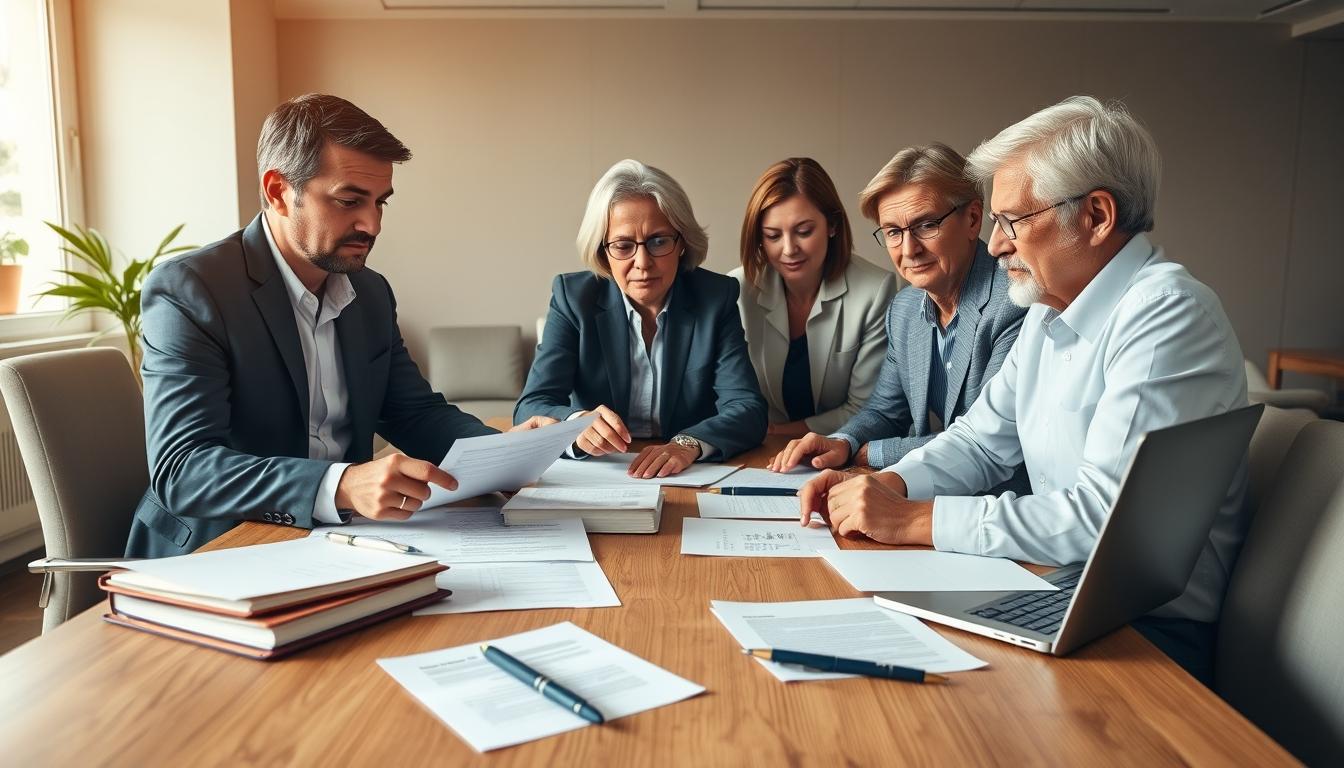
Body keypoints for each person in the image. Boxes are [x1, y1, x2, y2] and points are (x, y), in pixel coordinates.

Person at [799, 96, 1248, 683]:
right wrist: (889, 483)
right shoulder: (1046, 311)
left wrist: (912, 519)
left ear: (1096, 215)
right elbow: (981, 442)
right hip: (1052, 588)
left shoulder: (1166, 312)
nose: (996, 245)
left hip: (1149, 637)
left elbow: (1105, 522)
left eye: (1014, 220)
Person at [128, 94, 551, 558]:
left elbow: (412, 412)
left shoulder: (369, 293)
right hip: (221, 547)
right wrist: (342, 483)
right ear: (277, 191)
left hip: (342, 542)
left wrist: (502, 453)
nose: (371, 224)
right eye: (349, 200)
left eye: (380, 202)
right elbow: (183, 470)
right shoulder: (192, 290)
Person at [770, 144, 1027, 486]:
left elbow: (983, 443)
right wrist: (842, 442)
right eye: (893, 231)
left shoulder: (1014, 302)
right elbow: (884, 412)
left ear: (973, 219)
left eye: (926, 225)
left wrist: (871, 452)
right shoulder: (905, 309)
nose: (909, 250)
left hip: (998, 508)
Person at [514, 159, 767, 478]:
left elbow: (747, 409)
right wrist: (575, 424)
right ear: (602, 250)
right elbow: (532, 405)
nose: (643, 262)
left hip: (684, 471)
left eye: (659, 241)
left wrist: (687, 444)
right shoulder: (573, 298)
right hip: (598, 472)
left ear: (682, 243)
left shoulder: (715, 297)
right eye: (623, 245)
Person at [729, 158, 896, 438]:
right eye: (772, 236)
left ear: (832, 225)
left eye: (804, 232)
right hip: (756, 448)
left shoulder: (875, 289)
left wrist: (781, 433)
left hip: (841, 446)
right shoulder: (736, 289)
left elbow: (866, 407)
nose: (789, 249)